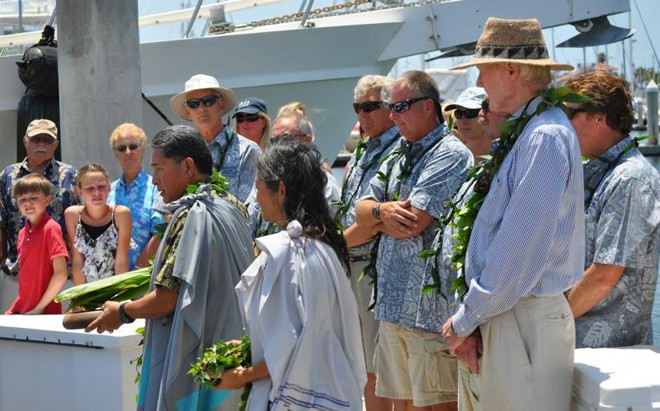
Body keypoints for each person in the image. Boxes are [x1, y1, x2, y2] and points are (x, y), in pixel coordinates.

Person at [441, 18, 584, 411]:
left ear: (510, 70)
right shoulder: (532, 133)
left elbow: (518, 249)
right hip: (511, 315)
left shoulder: (542, 137)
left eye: (482, 70)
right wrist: (475, 318)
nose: (480, 83)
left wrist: (467, 319)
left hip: (523, 319)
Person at [86, 125, 253, 410]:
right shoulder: (232, 205)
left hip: (199, 353)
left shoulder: (191, 215)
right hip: (233, 346)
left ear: (187, 167)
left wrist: (123, 311)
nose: (155, 181)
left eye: (159, 169)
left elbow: (168, 299)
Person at [216, 142, 366, 411]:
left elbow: (289, 350)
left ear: (281, 190)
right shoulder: (326, 244)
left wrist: (242, 375)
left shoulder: (285, 252)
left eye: (259, 187)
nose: (257, 197)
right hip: (334, 393)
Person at [355, 70, 472, 411]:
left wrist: (375, 216)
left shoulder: (449, 153)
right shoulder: (397, 155)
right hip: (392, 308)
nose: (392, 116)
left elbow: (414, 221)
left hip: (429, 313)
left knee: (437, 405)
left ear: (428, 106)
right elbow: (360, 211)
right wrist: (380, 213)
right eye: (391, 108)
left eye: (401, 106)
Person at [565, 71, 660, 348]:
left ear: (599, 116)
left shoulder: (631, 178)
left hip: (608, 353)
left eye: (571, 113)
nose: (564, 123)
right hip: (581, 348)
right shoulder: (600, 171)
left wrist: (548, 322)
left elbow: (603, 275)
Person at [341, 75, 400, 411]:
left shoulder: (394, 148)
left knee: (379, 370)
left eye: (370, 107)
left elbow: (375, 222)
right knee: (366, 368)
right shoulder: (366, 149)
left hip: (374, 268)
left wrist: (335, 244)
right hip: (355, 265)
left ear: (390, 108)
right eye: (357, 108)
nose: (362, 114)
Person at [0, 119, 78, 312]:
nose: (41, 144)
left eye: (47, 139)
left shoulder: (70, 175)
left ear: (56, 144)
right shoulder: (7, 175)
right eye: (36, 139)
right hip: (16, 274)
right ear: (25, 141)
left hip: (61, 276)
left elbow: (81, 225)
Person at [170, 74, 260, 203]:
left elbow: (253, 206)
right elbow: (166, 204)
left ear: (221, 104)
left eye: (208, 101)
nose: (202, 108)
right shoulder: (179, 154)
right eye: (194, 103)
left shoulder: (247, 150)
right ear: (187, 111)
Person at [4, 174, 68, 315]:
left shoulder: (51, 228)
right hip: (21, 308)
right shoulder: (21, 233)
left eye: (33, 198)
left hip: (44, 312)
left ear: (47, 200)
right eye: (22, 199)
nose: (28, 203)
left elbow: (61, 274)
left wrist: (39, 308)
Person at [108, 123, 165, 270]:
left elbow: (160, 233)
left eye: (133, 146)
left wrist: (136, 271)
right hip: (109, 279)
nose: (128, 152)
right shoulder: (108, 191)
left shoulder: (157, 188)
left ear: (143, 149)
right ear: (115, 153)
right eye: (122, 148)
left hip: (142, 279)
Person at [65, 164, 132, 285]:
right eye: (89, 188)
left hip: (114, 287)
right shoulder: (72, 215)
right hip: (86, 289)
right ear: (79, 191)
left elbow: (121, 261)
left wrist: (120, 298)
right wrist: (78, 298)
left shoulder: (121, 214)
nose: (97, 193)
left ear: (109, 187)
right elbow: (77, 261)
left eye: (101, 187)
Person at [444, 87, 491, 162]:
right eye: (458, 113)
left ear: (487, 114)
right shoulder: (451, 161)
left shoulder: (503, 158)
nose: (462, 120)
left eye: (470, 113)